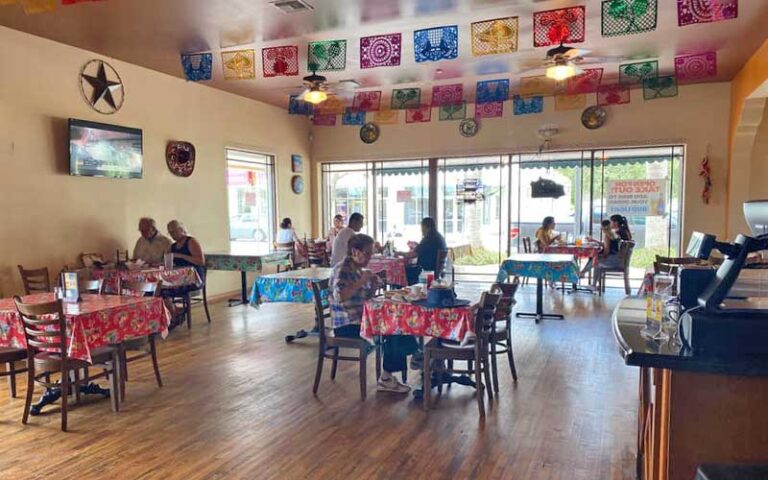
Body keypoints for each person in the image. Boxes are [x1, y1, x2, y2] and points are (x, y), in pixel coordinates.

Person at [330, 234, 417, 393]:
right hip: (346, 325)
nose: (370, 257)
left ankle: (412, 357)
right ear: (355, 251)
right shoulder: (342, 269)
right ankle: (389, 375)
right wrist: (362, 281)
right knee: (392, 327)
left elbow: (364, 298)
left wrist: (372, 287)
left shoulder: (357, 269)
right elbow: (340, 296)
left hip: (361, 320)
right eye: (368, 253)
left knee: (396, 321)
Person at [402, 217, 447, 286]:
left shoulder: (429, 238)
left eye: (422, 227)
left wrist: (400, 253)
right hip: (437, 269)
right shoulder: (438, 236)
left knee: (403, 272)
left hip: (427, 270)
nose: (421, 230)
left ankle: (406, 294)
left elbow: (413, 254)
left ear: (425, 227)